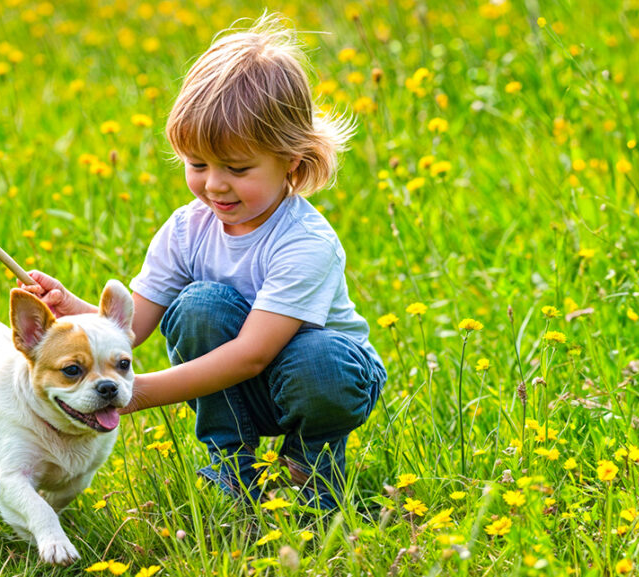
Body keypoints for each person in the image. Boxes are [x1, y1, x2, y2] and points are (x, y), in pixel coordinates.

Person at [21, 13, 386, 510]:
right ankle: (230, 467)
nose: (214, 184)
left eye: (237, 168)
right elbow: (132, 328)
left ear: (292, 162)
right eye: (197, 165)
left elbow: (251, 355)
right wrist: (73, 310)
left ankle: (310, 469)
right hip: (244, 389)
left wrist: (137, 391)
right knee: (198, 307)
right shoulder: (186, 228)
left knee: (317, 360)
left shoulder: (305, 242)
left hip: (325, 380)